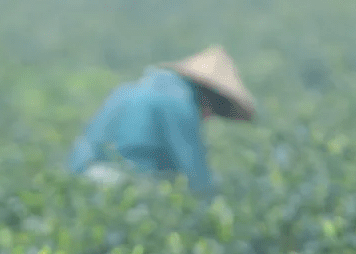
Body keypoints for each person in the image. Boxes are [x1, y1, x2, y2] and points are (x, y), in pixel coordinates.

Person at [67, 46, 255, 197]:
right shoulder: (179, 103)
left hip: (84, 180)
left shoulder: (126, 90)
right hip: (125, 186)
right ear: (207, 97)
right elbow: (195, 173)